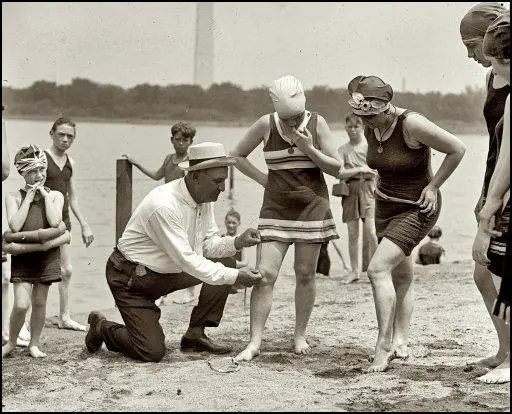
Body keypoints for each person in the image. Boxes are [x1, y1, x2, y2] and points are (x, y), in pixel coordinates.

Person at [84, 142, 262, 363]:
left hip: (166, 272)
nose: (223, 188)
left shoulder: (203, 197)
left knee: (225, 261)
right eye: (218, 181)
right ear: (195, 177)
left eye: (224, 180)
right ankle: (102, 327)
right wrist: (236, 277)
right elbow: (188, 260)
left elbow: (207, 245)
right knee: (151, 352)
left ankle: (195, 335)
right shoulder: (164, 205)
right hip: (131, 280)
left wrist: (237, 242)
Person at [346, 75, 466, 372]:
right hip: (385, 205)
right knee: (401, 275)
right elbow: (383, 161)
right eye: (362, 117)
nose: (367, 123)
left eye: (371, 116)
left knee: (376, 269)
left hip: (418, 207)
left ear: (387, 107)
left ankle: (384, 344)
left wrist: (434, 186)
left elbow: (457, 148)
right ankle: (400, 340)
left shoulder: (411, 124)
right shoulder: (372, 124)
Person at [230, 75, 341, 361]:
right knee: (264, 276)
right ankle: (254, 342)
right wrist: (264, 180)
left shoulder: (318, 123)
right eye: (287, 118)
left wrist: (308, 148)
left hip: (312, 209)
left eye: (296, 117)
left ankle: (299, 335)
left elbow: (337, 169)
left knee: (305, 275)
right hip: (275, 210)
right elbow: (237, 156)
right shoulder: (266, 124)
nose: (292, 123)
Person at [460, 2, 511, 377]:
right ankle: (505, 350)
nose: (469, 55)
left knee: (498, 268)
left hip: (506, 182)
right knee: (483, 271)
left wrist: (495, 200)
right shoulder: (493, 76)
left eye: (471, 45)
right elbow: (498, 144)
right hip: (495, 173)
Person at [2, 145, 70, 358]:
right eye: (32, 171)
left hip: (47, 256)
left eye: (41, 170)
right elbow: (14, 226)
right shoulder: (13, 196)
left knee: (40, 302)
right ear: (22, 173)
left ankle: (34, 343)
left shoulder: (56, 195)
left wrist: (44, 195)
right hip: (24, 256)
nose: (38, 175)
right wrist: (29, 198)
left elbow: (56, 221)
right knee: (21, 305)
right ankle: (11, 342)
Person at [123, 121, 198, 305]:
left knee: (187, 249)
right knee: (163, 250)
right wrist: (136, 162)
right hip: (167, 208)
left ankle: (190, 292)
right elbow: (157, 175)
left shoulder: (191, 161)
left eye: (185, 140)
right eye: (177, 139)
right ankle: (161, 294)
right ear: (172, 140)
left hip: (184, 210)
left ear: (191, 141)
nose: (180, 143)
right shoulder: (168, 158)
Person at [38, 117, 93, 332]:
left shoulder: (71, 162)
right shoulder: (42, 157)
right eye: (61, 134)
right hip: (42, 222)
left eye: (70, 136)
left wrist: (84, 225)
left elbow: (73, 197)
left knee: (67, 270)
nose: (65, 139)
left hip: (63, 222)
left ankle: (64, 317)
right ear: (51, 133)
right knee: (36, 273)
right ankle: (24, 322)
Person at [337, 113, 378, 283]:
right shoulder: (342, 150)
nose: (353, 130)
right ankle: (354, 271)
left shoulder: (369, 147)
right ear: (345, 128)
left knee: (372, 232)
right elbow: (339, 173)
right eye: (349, 127)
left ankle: (376, 269)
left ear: (362, 127)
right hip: (350, 190)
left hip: (369, 189)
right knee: (353, 234)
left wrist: (366, 172)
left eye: (356, 126)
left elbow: (377, 171)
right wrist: (361, 169)